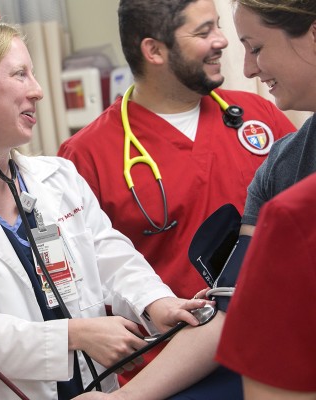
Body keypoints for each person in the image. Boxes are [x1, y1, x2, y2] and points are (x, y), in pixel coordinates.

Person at [0, 21, 220, 400]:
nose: (38, 91)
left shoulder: (57, 177)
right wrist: (79, 334)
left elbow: (109, 253)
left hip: (90, 389)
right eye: (19, 74)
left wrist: (156, 303)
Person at [57, 0, 295, 383]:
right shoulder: (87, 155)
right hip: (167, 373)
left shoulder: (260, 118)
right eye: (204, 32)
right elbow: (86, 282)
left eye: (218, 26)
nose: (222, 41)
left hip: (274, 354)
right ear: (154, 50)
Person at [215, 1, 316, 398]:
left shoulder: (294, 209)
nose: (248, 70)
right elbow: (238, 305)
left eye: (255, 48)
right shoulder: (283, 165)